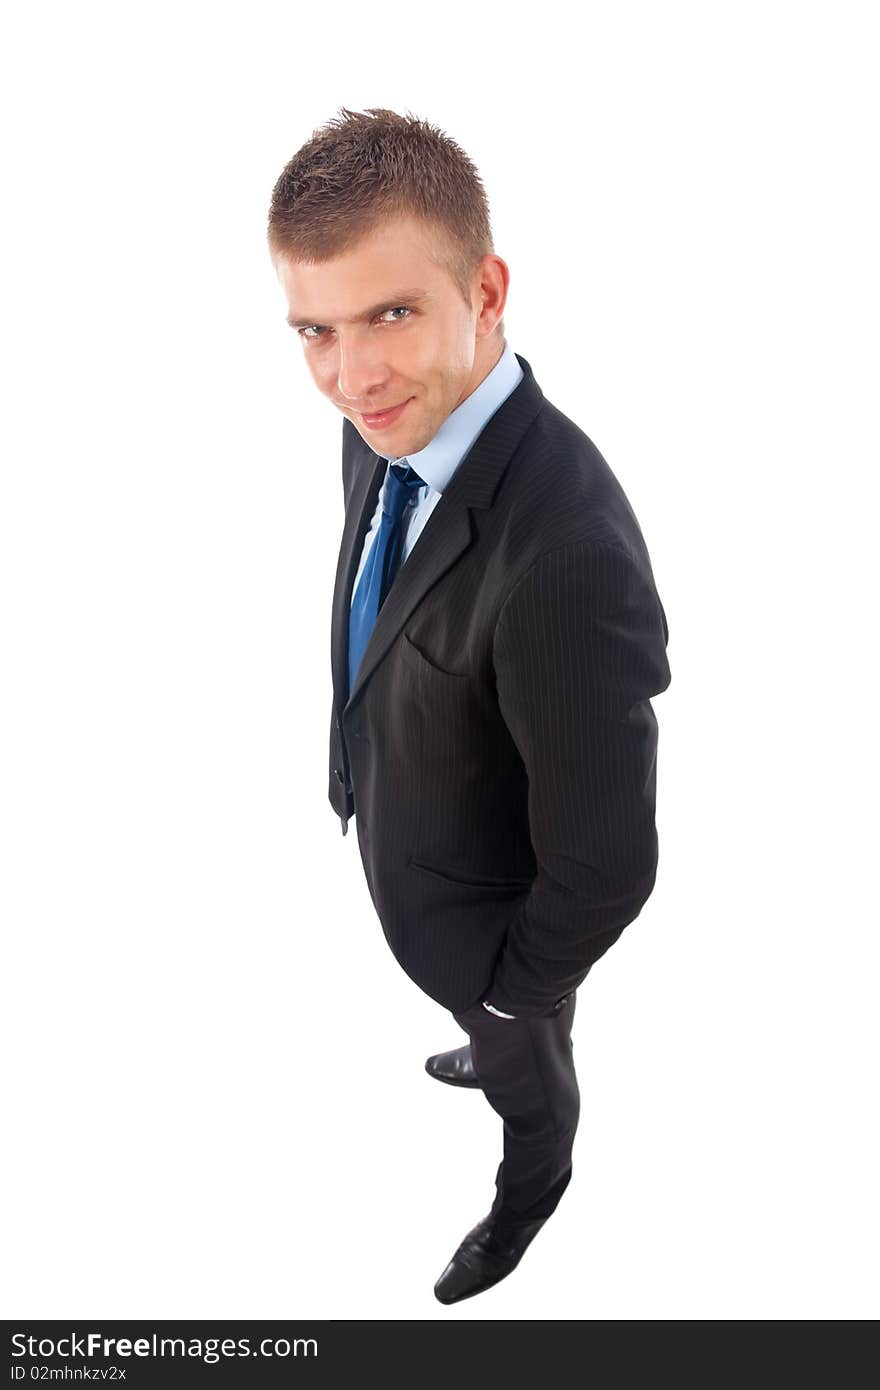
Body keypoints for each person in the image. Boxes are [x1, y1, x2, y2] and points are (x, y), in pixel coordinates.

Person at [267, 106, 672, 1305]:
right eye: (315, 329)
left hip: (501, 939)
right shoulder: (391, 422)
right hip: (431, 852)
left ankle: (530, 1181)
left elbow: (605, 865)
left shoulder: (567, 552)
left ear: (486, 291)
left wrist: (506, 999)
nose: (350, 376)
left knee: (526, 1067)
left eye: (391, 312)